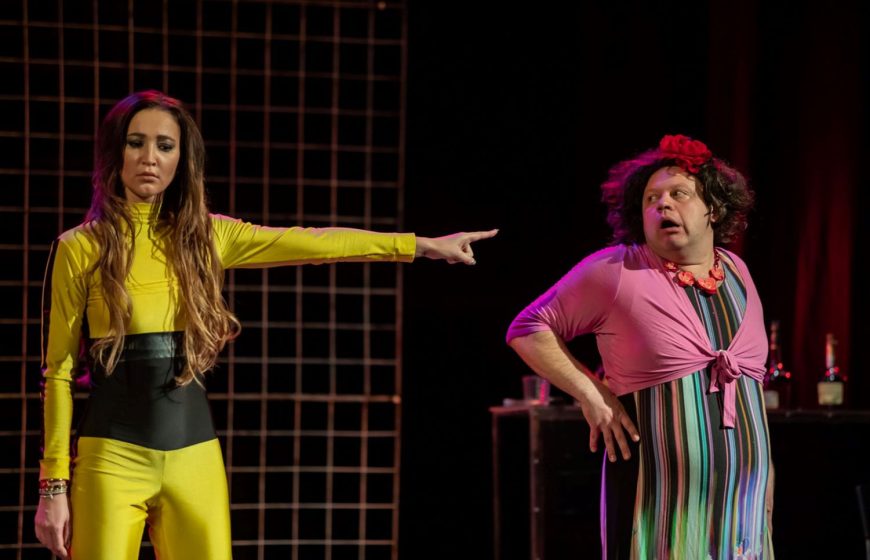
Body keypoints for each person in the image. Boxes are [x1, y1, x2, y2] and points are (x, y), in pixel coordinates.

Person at [34, 90, 497, 559]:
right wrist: (53, 486)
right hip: (110, 461)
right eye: (136, 142)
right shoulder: (80, 248)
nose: (149, 157)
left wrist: (421, 246)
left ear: (182, 159)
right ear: (114, 152)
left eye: (165, 145)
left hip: (195, 460)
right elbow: (58, 373)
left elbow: (316, 244)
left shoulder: (207, 236)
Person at [506, 134, 773, 559]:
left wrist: (764, 483)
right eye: (651, 198)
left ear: (715, 209)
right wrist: (593, 393)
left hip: (742, 510)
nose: (662, 204)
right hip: (655, 507)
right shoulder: (617, 270)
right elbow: (527, 328)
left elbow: (750, 394)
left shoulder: (738, 272)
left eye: (678, 194)